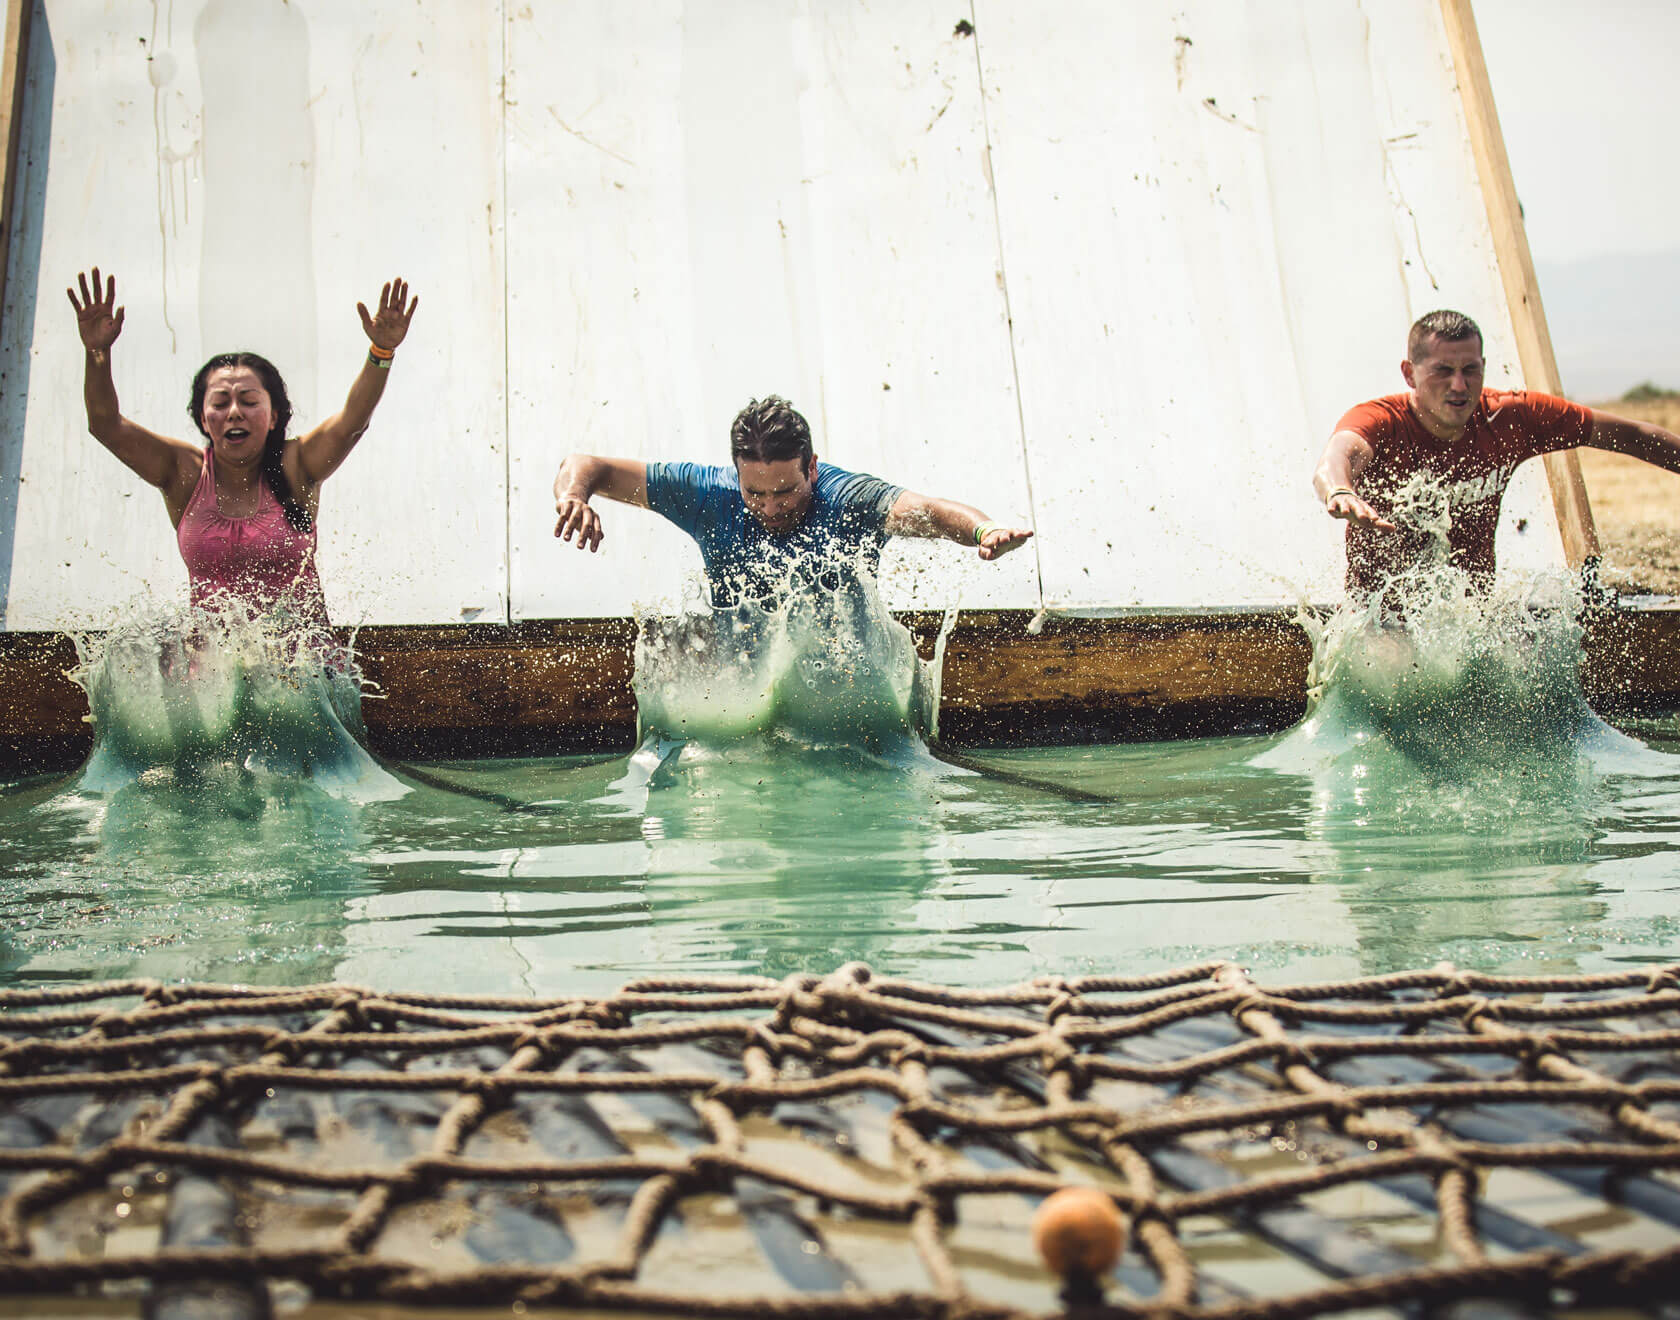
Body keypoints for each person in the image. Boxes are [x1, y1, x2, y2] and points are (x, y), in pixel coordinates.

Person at [68, 267, 418, 629]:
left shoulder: (298, 465)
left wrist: (381, 351)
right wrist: (97, 352)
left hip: (305, 663)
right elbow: (105, 425)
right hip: (210, 664)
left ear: (274, 416)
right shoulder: (184, 473)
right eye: (220, 403)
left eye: (249, 401)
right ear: (203, 420)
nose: (234, 412)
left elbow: (353, 421)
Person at [1313, 309, 1680, 605]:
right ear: (1410, 374)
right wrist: (1339, 490)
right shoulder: (1382, 420)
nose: (1459, 385)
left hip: (1472, 622)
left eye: (1470, 370)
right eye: (1443, 371)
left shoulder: (1510, 417)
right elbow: (1338, 456)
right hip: (1379, 620)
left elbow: (1634, 437)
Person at [551, 395, 1033, 607]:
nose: (770, 507)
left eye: (785, 492)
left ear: (812, 468)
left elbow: (930, 512)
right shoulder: (708, 495)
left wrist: (983, 530)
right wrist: (574, 496)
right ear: (736, 472)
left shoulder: (847, 499)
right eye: (755, 493)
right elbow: (584, 463)